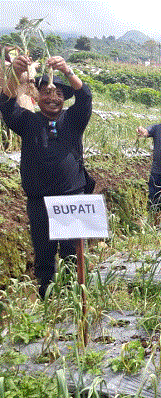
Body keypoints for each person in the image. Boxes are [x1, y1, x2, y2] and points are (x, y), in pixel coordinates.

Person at [0, 55, 92, 299]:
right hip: (39, 201)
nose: (53, 98)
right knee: (43, 254)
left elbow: (85, 97)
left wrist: (67, 70)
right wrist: (16, 75)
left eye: (59, 94)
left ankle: (74, 299)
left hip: (72, 198)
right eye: (46, 93)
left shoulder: (74, 120)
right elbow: (7, 103)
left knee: (73, 252)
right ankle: (48, 301)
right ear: (36, 97)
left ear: (64, 99)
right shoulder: (28, 122)